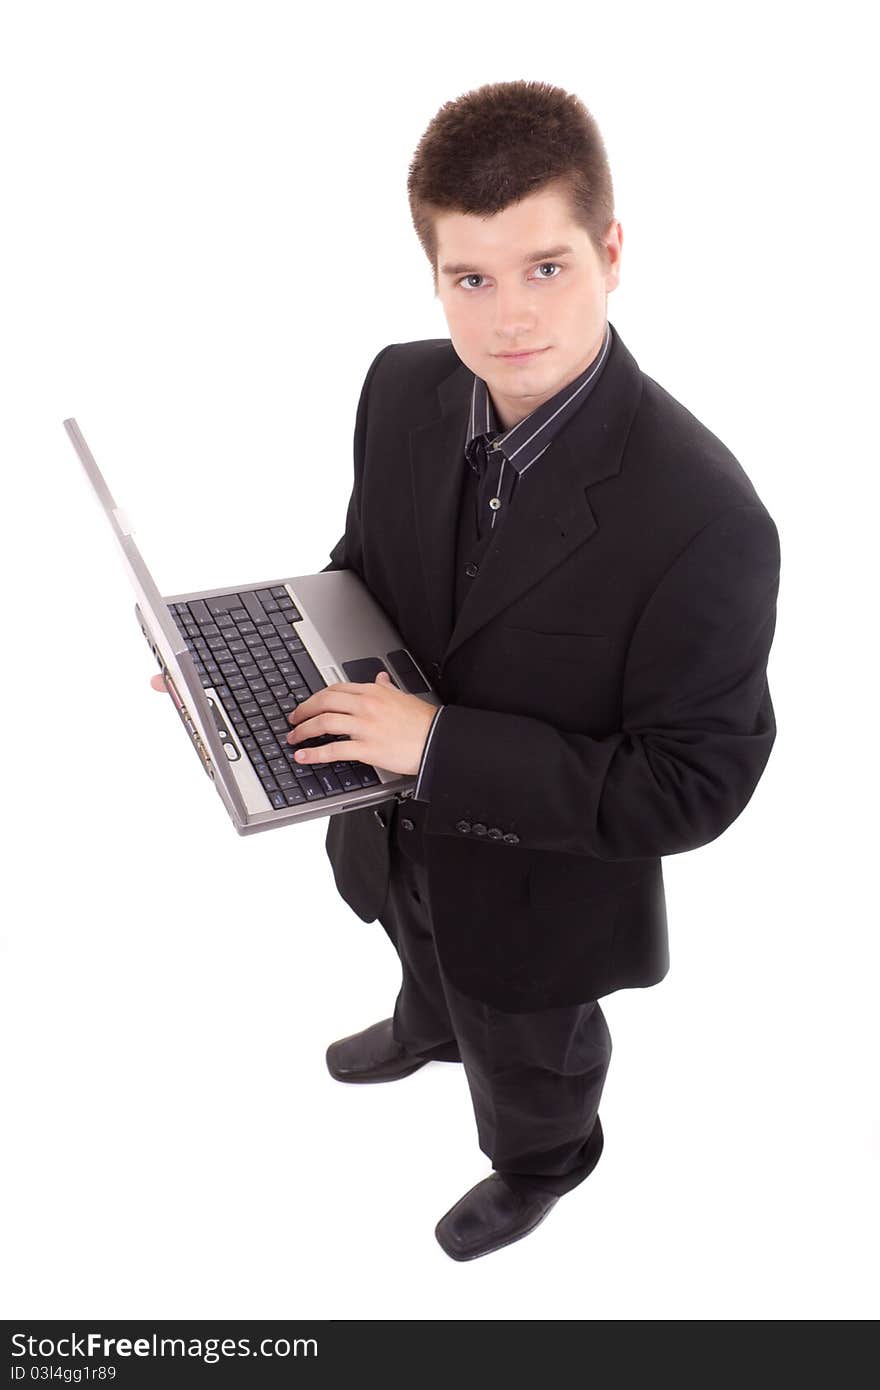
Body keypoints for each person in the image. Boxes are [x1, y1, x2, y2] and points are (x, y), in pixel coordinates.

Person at [153, 80, 781, 1262]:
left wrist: (435, 746)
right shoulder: (401, 385)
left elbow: (689, 787)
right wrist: (240, 653)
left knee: (528, 1047)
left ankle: (545, 1156)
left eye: (546, 268)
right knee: (417, 941)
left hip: (540, 893)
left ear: (610, 252)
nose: (508, 321)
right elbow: (364, 569)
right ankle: (426, 1019)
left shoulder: (708, 517)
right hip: (392, 832)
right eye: (470, 279)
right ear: (433, 274)